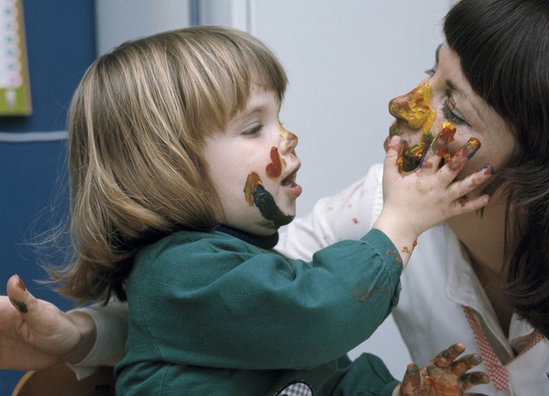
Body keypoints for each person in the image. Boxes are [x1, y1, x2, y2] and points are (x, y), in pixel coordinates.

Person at [2, 0, 549, 394]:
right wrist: (87, 336)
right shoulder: (380, 209)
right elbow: (232, 310)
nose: (403, 106)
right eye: (429, 77)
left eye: (452, 106)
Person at [3, 25, 497, 396]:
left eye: (278, 118)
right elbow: (319, 317)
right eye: (252, 128)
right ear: (170, 166)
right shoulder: (184, 270)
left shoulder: (242, 269)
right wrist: (399, 226)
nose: (288, 137)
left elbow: (317, 376)